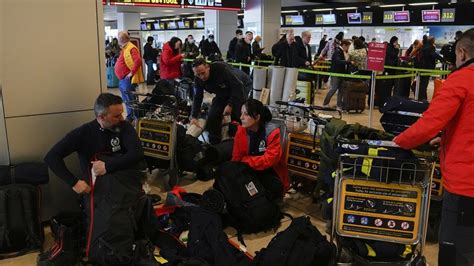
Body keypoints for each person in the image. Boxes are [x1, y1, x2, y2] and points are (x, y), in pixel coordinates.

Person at [393, 28, 474, 266]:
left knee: (455, 251)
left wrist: (399, 141)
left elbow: (430, 124)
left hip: (465, 185)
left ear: (461, 52)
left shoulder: (460, 80)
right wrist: (449, 137)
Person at [44, 93, 145, 261]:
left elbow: (137, 153)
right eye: (116, 115)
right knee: (106, 220)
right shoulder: (83, 133)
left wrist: (108, 166)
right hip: (97, 188)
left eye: (122, 113)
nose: (122, 118)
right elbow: (51, 157)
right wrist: (74, 182)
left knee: (135, 210)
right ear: (101, 117)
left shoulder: (124, 126)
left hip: (124, 183)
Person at [231, 98, 290, 199]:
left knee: (274, 188)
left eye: (246, 114)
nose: (241, 117)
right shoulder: (241, 131)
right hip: (249, 169)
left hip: (269, 171)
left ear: (257, 117)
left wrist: (246, 160)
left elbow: (270, 160)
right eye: (241, 113)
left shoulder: (272, 132)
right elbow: (236, 158)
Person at [190, 58, 245, 144]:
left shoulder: (221, 69)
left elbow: (237, 86)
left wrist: (230, 105)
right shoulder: (198, 80)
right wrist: (194, 116)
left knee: (238, 118)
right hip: (221, 94)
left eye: (203, 73)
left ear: (208, 67)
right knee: (212, 118)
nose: (202, 77)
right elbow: (197, 97)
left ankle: (239, 142)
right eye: (198, 74)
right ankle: (216, 146)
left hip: (238, 90)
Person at [114, 31, 144, 121]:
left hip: (127, 79)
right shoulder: (125, 48)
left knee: (130, 100)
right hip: (123, 79)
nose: (117, 40)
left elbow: (138, 60)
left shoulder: (131, 48)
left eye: (118, 38)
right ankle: (131, 116)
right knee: (127, 100)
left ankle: (134, 118)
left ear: (122, 39)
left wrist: (131, 73)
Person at [322, 39, 352, 110]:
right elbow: (338, 61)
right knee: (334, 88)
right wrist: (348, 62)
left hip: (341, 73)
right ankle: (325, 103)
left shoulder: (341, 51)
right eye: (347, 47)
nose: (348, 48)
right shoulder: (337, 51)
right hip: (336, 73)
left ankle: (339, 105)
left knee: (341, 89)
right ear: (344, 45)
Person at [418, 37, 444, 101]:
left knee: (422, 83)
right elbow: (434, 55)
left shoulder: (424, 46)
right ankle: (423, 98)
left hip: (422, 66)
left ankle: (421, 97)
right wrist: (442, 59)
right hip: (427, 67)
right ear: (432, 41)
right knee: (424, 83)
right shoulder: (431, 47)